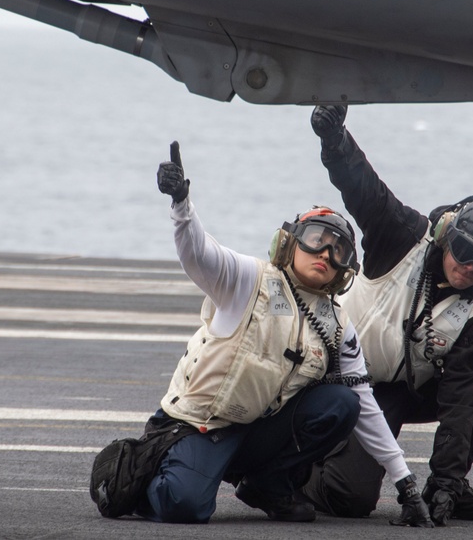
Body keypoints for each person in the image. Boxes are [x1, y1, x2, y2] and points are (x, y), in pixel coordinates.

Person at [138, 140, 433, 526]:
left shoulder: (338, 325)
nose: (325, 255)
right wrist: (181, 205)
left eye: (339, 250)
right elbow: (199, 254)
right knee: (183, 507)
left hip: (259, 431)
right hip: (203, 423)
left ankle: (268, 484)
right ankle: (144, 469)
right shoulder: (248, 279)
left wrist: (406, 483)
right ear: (289, 243)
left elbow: (365, 404)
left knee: (342, 402)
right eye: (316, 241)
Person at [301, 106, 473, 525]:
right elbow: (363, 188)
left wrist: (445, 481)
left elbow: (460, 404)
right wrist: (334, 139)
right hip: (345, 381)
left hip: (411, 389)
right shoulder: (402, 235)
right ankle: (289, 474)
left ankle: (453, 489)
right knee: (347, 499)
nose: (469, 270)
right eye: (464, 254)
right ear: (448, 237)